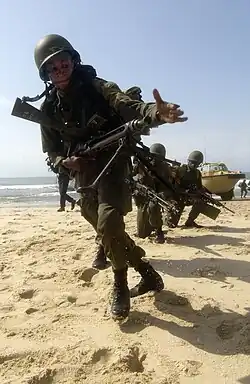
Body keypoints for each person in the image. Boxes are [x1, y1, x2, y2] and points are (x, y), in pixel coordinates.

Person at [34, 34, 188, 321]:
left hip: (113, 163)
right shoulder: (48, 109)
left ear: (73, 60)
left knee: (109, 223)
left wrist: (155, 112)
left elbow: (129, 104)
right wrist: (65, 162)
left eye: (64, 62)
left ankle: (120, 284)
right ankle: (147, 273)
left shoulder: (96, 86)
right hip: (83, 174)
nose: (60, 69)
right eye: (52, 67)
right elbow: (51, 153)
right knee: (108, 232)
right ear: (45, 74)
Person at [133, 143, 175, 243]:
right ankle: (150, 228)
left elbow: (168, 187)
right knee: (142, 234)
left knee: (153, 206)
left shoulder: (165, 168)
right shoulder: (141, 165)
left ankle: (158, 231)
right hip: (142, 199)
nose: (155, 160)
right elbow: (131, 178)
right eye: (154, 156)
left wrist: (161, 195)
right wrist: (136, 190)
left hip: (156, 196)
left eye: (158, 157)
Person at [168, 150, 206, 228]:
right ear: (188, 161)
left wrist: (203, 193)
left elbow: (199, 187)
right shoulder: (180, 170)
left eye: (197, 163)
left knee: (200, 202)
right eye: (192, 162)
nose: (194, 165)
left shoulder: (197, 173)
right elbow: (172, 186)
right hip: (177, 198)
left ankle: (190, 221)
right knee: (171, 224)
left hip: (189, 197)